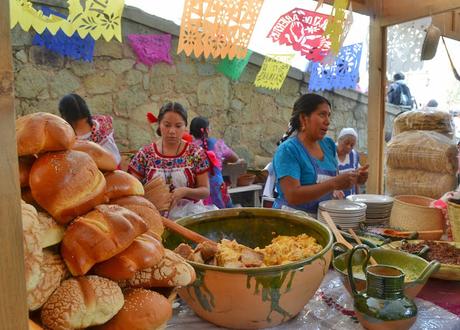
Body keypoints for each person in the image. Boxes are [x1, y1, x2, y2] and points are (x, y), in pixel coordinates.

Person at [272, 93, 368, 215]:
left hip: (322, 219)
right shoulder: (288, 150)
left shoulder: (328, 145)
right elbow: (292, 195)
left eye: (329, 115)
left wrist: (354, 179)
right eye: (322, 114)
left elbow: (334, 184)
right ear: (304, 118)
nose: (327, 121)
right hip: (291, 219)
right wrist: (334, 183)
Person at [128, 102, 210, 210]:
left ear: (185, 127)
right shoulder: (145, 154)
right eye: (167, 125)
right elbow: (132, 188)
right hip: (155, 216)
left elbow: (205, 191)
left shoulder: (195, 153)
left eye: (178, 126)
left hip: (190, 214)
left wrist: (185, 191)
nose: (172, 131)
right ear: (159, 125)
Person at [189, 116, 240, 209]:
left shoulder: (189, 148)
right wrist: (221, 161)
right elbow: (235, 158)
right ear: (207, 130)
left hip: (199, 189)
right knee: (224, 214)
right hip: (218, 186)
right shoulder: (217, 144)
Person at [59, 93, 121, 165]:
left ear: (65, 115)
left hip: (100, 173)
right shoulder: (103, 121)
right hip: (117, 167)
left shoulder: (71, 139)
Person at [336, 128, 368, 196]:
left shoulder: (354, 155)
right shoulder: (331, 153)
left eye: (352, 145)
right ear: (339, 141)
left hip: (351, 199)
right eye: (346, 143)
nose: (348, 147)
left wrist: (358, 196)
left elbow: (356, 179)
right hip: (334, 200)